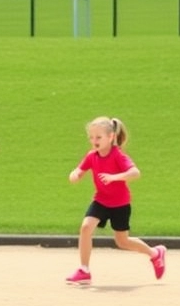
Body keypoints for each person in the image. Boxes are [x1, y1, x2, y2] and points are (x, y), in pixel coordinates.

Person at [65, 116, 166, 285]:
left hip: (120, 204)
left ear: (111, 137)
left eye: (98, 137)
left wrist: (114, 177)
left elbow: (135, 173)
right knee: (85, 227)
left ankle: (155, 254)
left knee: (122, 241)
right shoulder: (92, 156)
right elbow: (79, 170)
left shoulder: (117, 155)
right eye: (91, 137)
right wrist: (75, 175)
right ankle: (84, 270)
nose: (94, 141)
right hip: (101, 200)